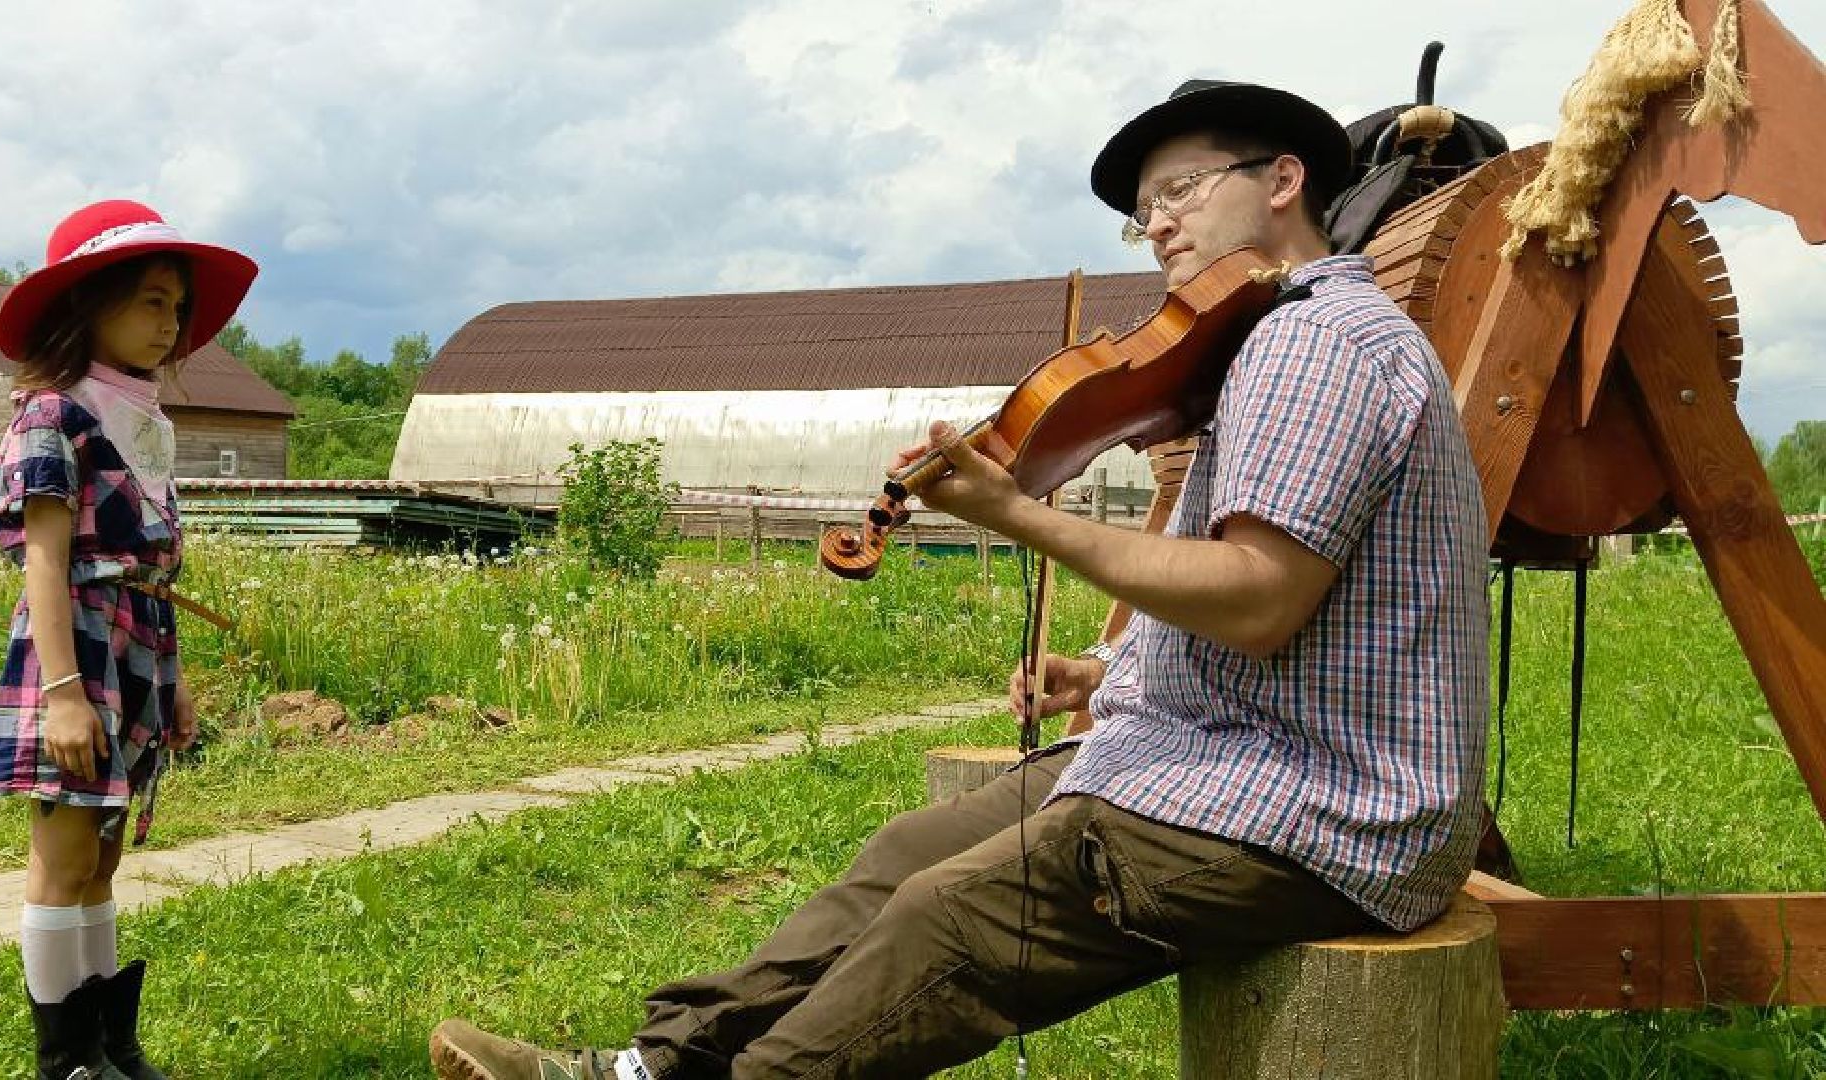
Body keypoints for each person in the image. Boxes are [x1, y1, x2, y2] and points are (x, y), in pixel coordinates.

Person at [428, 78, 1490, 1080]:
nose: (1158, 223)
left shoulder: (1320, 344)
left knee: (951, 910)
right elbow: (1308, 598)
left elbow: (1261, 597)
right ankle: (643, 1068)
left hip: (1325, 809)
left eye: (1180, 189)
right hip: (1205, 753)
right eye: (1140, 212)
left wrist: (1019, 513)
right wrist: (1108, 667)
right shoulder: (1263, 343)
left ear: (1285, 179)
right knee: (908, 855)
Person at [0, 199, 257, 1080]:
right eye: (148, 299)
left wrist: (172, 682)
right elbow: (45, 566)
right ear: (88, 304)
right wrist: (64, 693)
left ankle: (109, 1045)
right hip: (78, 654)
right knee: (63, 855)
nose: (169, 322)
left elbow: (148, 567)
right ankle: (63, 1060)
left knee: (103, 856)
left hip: (136, 646)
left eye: (175, 306)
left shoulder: (140, 422)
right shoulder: (54, 417)